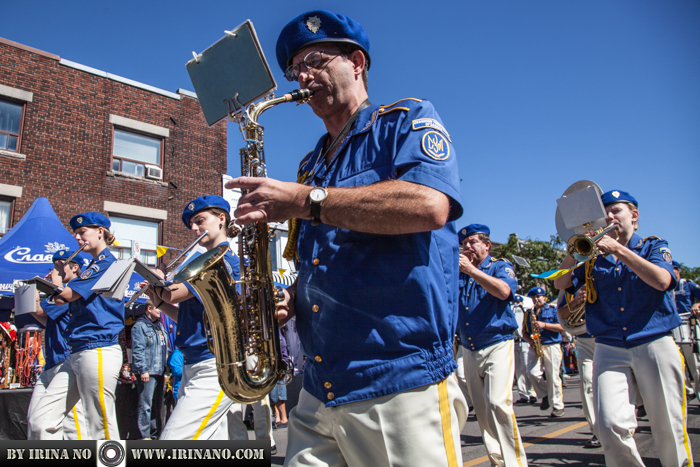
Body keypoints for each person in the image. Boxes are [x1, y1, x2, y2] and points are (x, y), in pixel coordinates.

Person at [226, 10, 466, 467]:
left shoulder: (405, 120)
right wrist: (288, 299)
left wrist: (306, 200)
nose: (302, 76)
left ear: (356, 61)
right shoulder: (310, 163)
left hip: (398, 380)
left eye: (315, 60)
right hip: (320, 386)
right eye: (295, 68)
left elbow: (430, 205)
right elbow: (322, 259)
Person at [554, 189, 692, 467]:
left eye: (616, 210)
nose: (609, 216)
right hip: (609, 345)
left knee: (667, 426)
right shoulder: (592, 257)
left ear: (634, 215)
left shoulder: (652, 245)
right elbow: (560, 283)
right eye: (603, 212)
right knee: (608, 424)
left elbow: (663, 281)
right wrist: (575, 248)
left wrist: (618, 249)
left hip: (654, 341)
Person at [151, 195, 241, 440]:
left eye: (200, 220)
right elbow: (188, 320)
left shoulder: (223, 260)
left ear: (221, 218)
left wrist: (158, 287)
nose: (194, 229)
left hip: (215, 365)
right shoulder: (202, 261)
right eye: (191, 223)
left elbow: (172, 294)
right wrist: (159, 300)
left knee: (172, 440)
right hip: (195, 363)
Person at [29, 212, 125, 439]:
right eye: (76, 234)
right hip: (78, 350)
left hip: (98, 348)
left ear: (100, 232)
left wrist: (56, 282)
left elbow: (67, 295)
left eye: (82, 232)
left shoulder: (105, 262)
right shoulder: (93, 265)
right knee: (40, 420)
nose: (78, 238)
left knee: (100, 426)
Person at [457, 224, 528, 466]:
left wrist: (470, 270)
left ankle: (516, 463)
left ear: (487, 245)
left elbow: (504, 291)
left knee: (498, 403)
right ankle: (498, 462)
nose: (468, 247)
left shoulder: (499, 265)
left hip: (498, 342)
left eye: (473, 242)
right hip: (468, 346)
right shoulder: (459, 273)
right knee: (483, 411)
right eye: (464, 244)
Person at [27, 249, 88, 440]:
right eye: (54, 266)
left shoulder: (73, 291)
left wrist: (38, 289)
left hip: (67, 360)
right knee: (35, 420)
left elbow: (37, 309)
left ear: (75, 267)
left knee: (72, 424)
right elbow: (47, 320)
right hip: (52, 362)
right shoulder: (57, 295)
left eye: (60, 266)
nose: (55, 270)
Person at [557, 285, 601, 448]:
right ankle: (596, 430)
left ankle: (623, 427)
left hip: (607, 337)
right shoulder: (569, 284)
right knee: (587, 383)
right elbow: (561, 315)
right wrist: (576, 301)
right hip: (583, 339)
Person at [131, 299, 170, 439]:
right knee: (145, 404)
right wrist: (143, 370)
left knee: (157, 405)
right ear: (149, 309)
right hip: (148, 371)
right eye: (157, 309)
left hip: (159, 370)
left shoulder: (159, 327)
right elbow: (138, 350)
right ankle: (144, 436)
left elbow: (165, 348)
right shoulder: (139, 326)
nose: (160, 311)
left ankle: (155, 435)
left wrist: (166, 370)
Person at [524, 287, 565, 417]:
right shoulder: (529, 313)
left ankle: (558, 406)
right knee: (532, 373)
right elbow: (524, 332)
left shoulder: (553, 310)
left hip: (551, 344)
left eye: (539, 296)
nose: (536, 299)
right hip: (536, 345)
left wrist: (544, 325)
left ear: (544, 297)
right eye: (534, 297)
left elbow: (561, 327)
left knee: (553, 376)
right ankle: (545, 394)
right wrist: (529, 341)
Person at [512, 295, 537, 405]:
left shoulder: (526, 312)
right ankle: (523, 394)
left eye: (518, 302)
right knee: (518, 370)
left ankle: (531, 392)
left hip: (525, 342)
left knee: (527, 369)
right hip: (515, 342)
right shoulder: (511, 310)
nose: (516, 304)